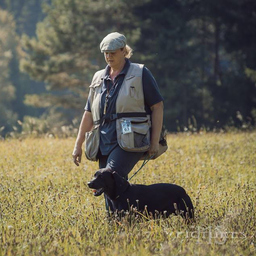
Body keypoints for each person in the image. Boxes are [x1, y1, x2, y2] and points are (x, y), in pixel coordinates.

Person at [72, 32, 164, 208]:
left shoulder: (140, 73)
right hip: (103, 140)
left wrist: (154, 142)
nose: (108, 56)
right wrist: (78, 145)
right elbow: (89, 113)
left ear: (124, 51)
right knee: (105, 182)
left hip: (131, 138)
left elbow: (157, 106)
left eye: (113, 52)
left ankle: (122, 221)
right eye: (106, 52)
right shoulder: (98, 77)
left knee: (111, 175)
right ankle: (118, 223)